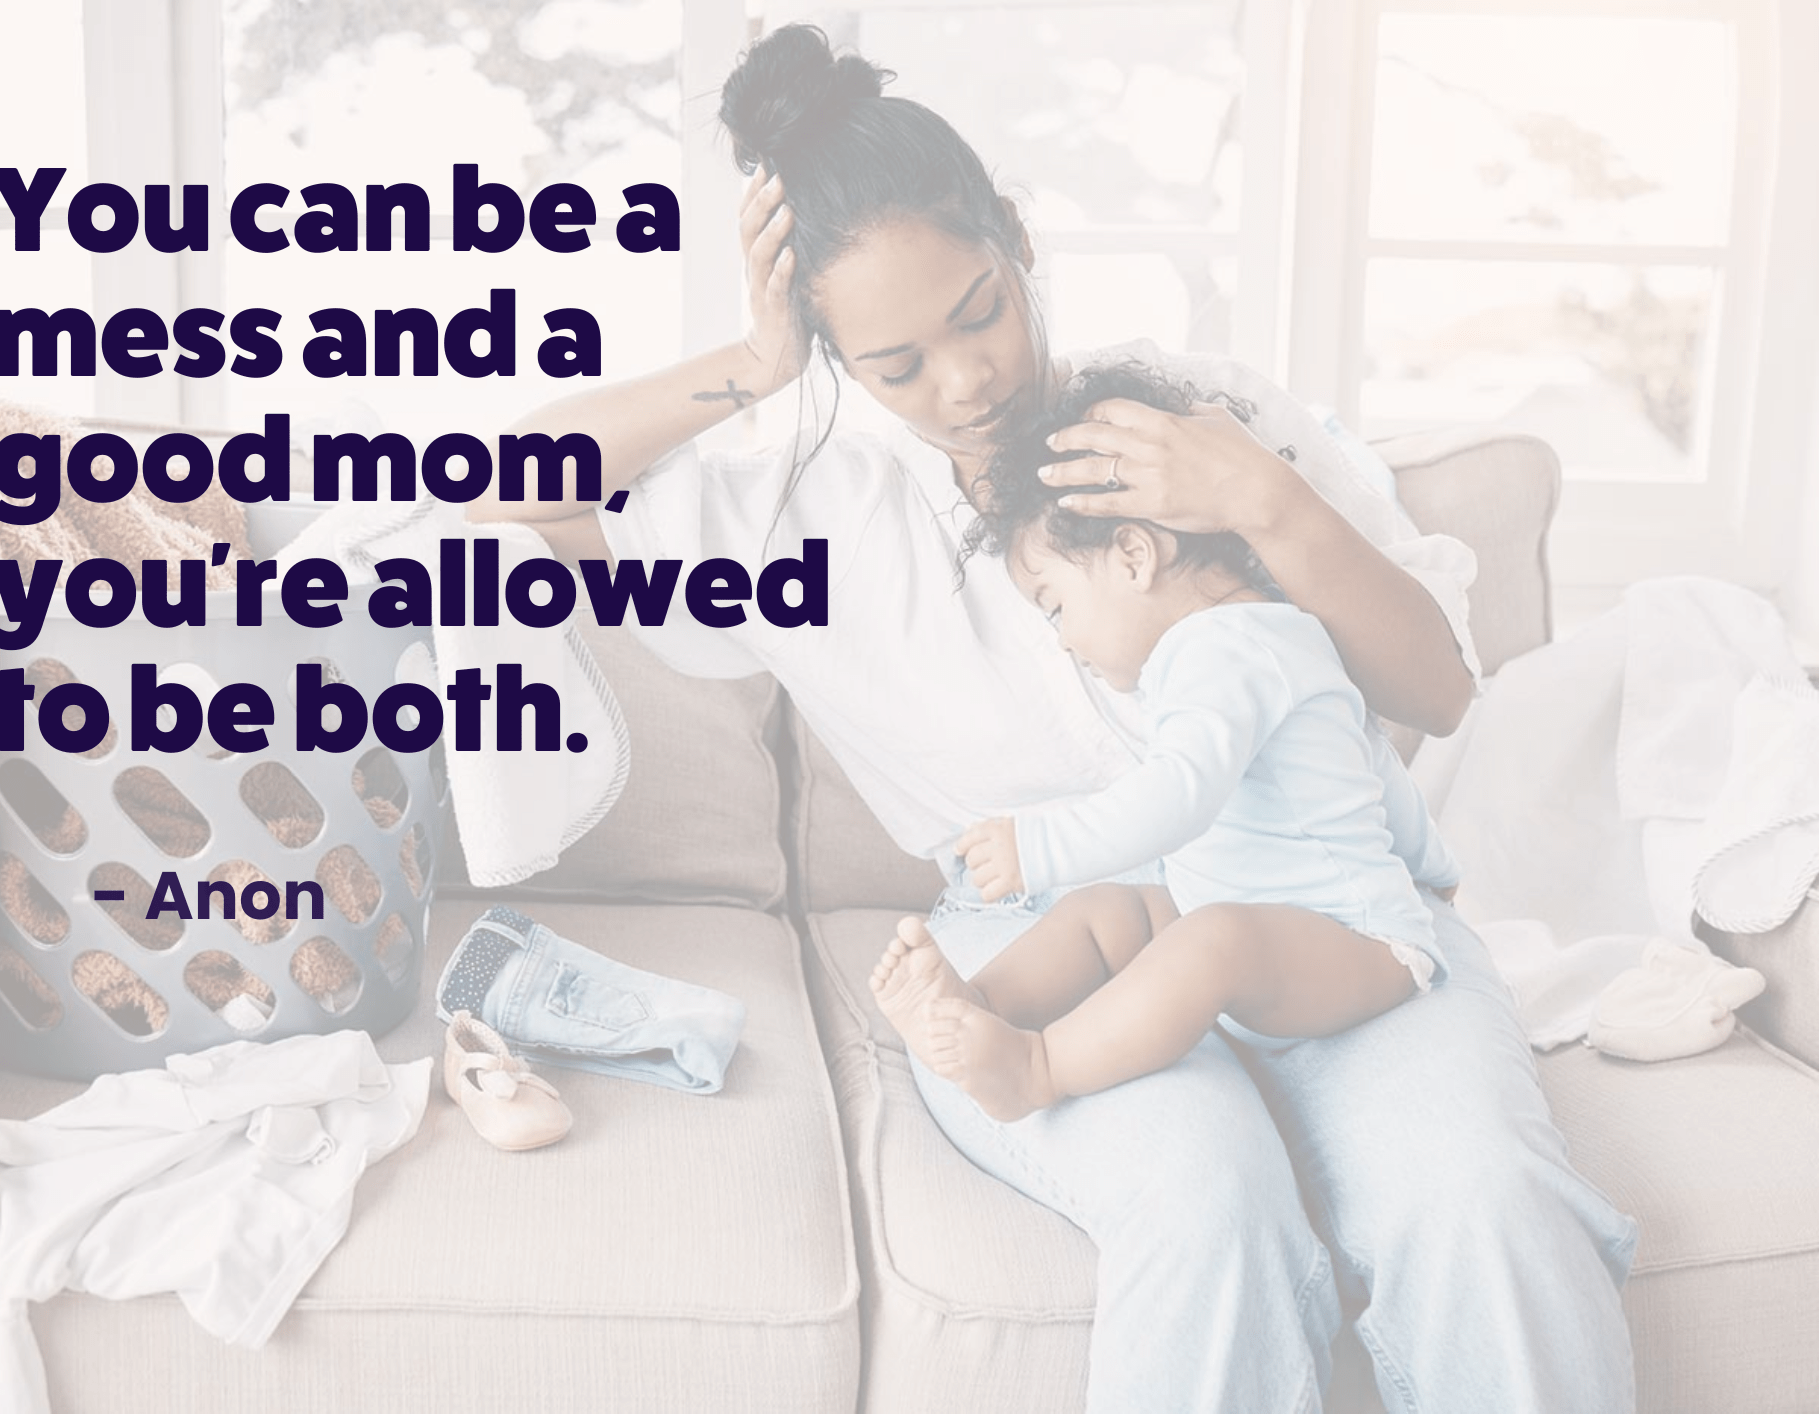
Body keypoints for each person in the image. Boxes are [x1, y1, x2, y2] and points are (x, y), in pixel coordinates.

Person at [471, 22, 1638, 1413]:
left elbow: (1442, 690)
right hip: (1045, 941)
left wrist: (1266, 501)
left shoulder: (1199, 418)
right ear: (841, 359)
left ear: (1018, 245)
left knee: (1489, 1202)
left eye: (979, 311)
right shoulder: (802, 510)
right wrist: (754, 363)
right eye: (894, 362)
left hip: (1325, 900)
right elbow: (495, 488)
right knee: (1212, 1209)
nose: (966, 382)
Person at [872, 361, 1460, 1125]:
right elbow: (1371, 765)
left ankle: (1037, 1068)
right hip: (1270, 934)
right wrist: (1434, 864)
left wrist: (1038, 847)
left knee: (1211, 939)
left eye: (1055, 606)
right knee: (1108, 914)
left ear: (1133, 556)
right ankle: (979, 1007)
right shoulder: (1264, 638)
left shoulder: (1231, 649)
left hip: (1358, 948)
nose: (1064, 642)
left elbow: (1178, 797)